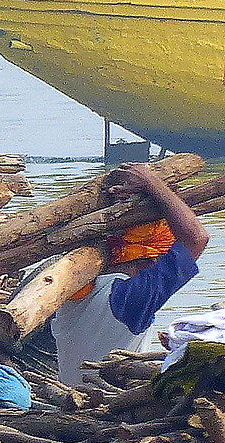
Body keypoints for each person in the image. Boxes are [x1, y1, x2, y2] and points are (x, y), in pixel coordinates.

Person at [49, 160, 211, 384]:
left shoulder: (73, 285)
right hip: (107, 407)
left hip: (73, 394)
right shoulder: (128, 298)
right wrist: (150, 182)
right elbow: (197, 238)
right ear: (151, 258)